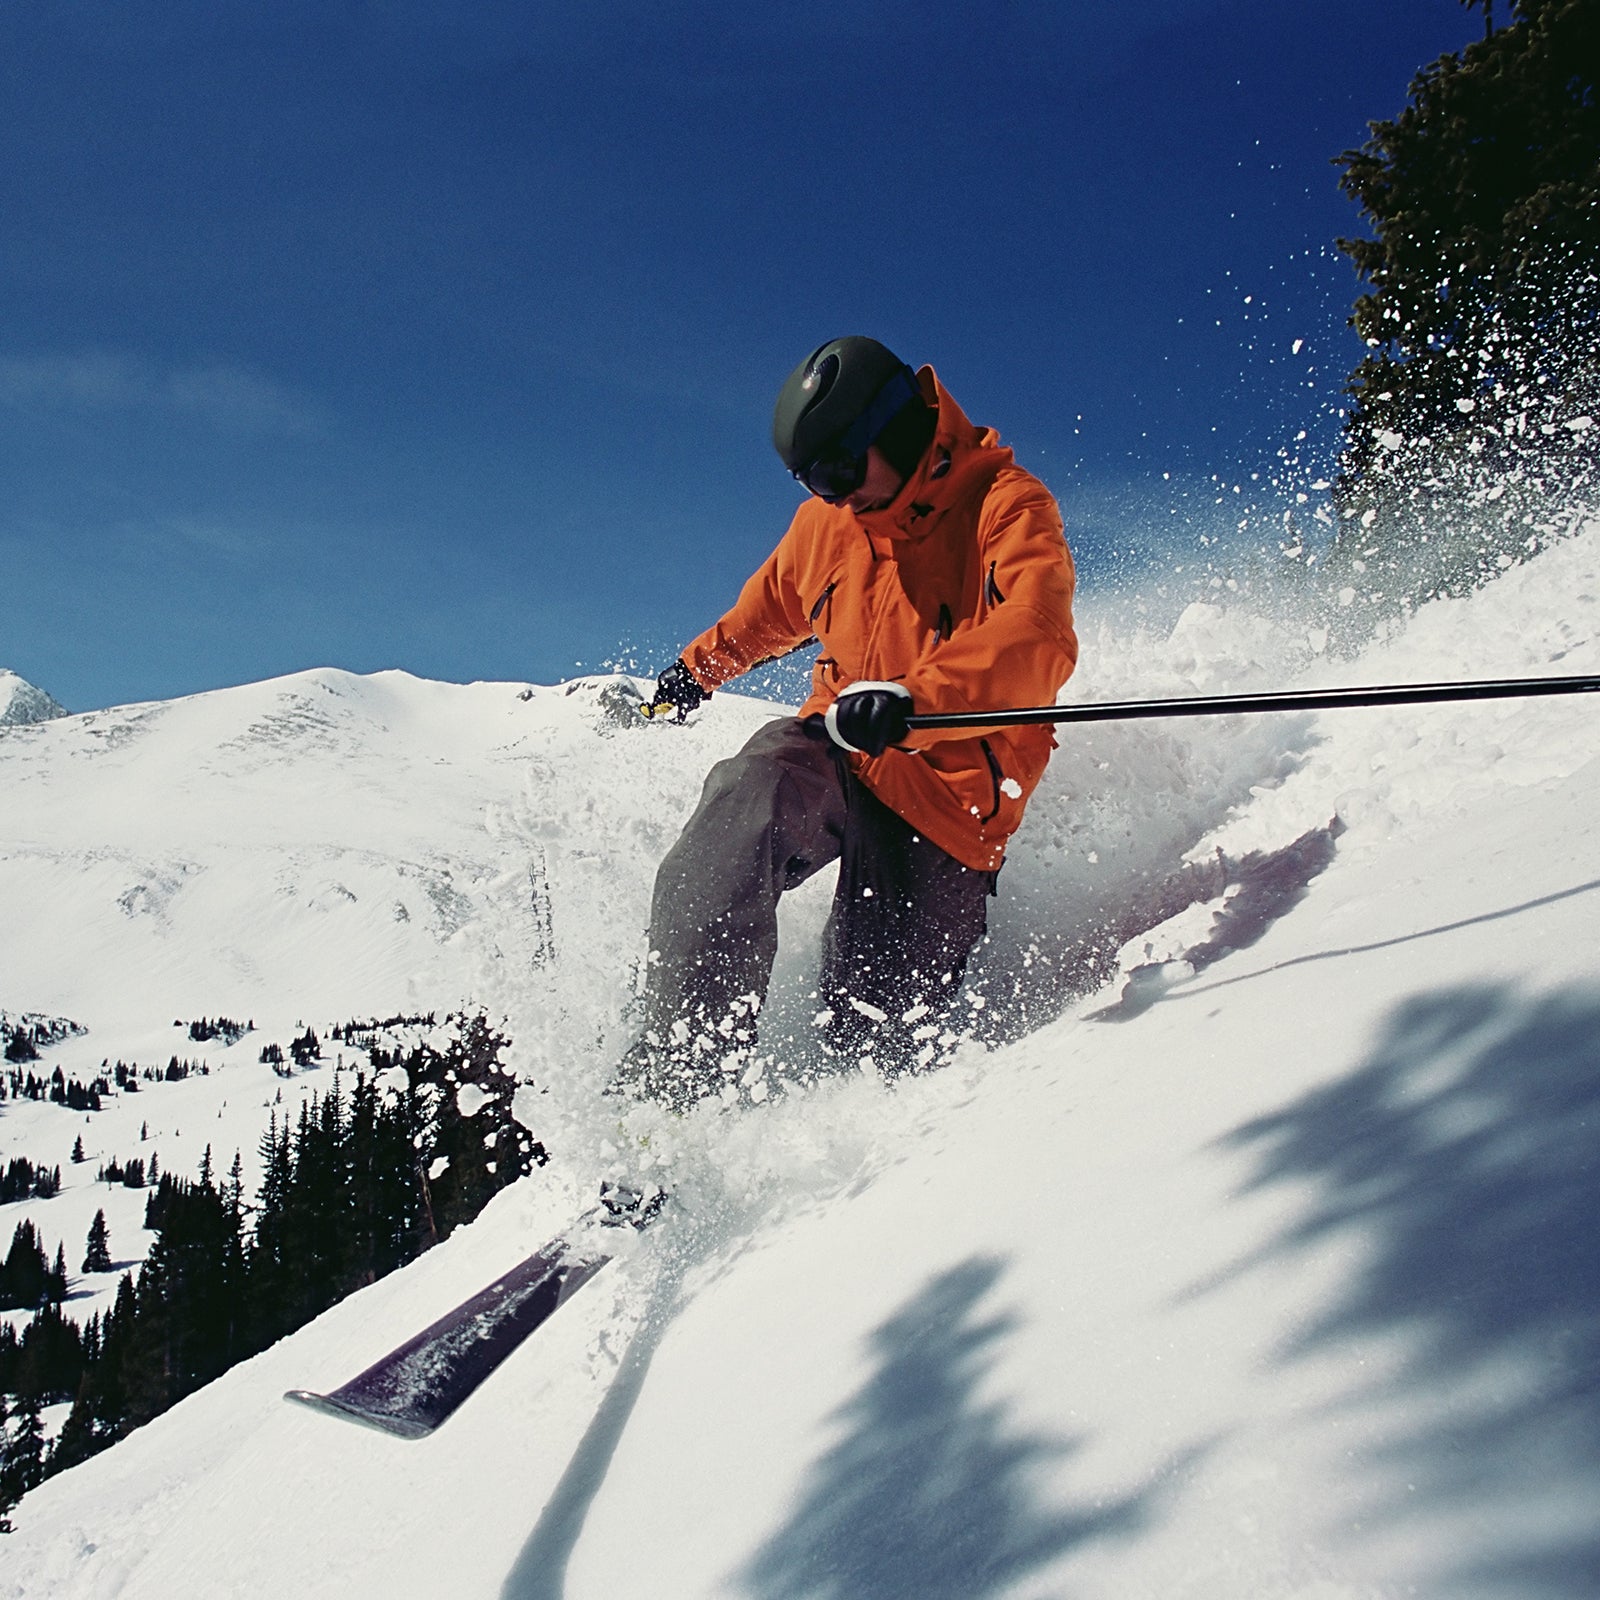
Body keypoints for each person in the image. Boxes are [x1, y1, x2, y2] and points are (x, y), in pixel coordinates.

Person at [615, 336, 1078, 1110]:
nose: (831, 495)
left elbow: (1037, 637)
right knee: (745, 799)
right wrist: (691, 676)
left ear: (892, 428)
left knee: (874, 1045)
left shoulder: (1007, 508)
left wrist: (916, 702)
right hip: (837, 748)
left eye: (838, 471)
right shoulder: (827, 527)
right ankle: (668, 1097)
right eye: (811, 480)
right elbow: (762, 615)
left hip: (948, 804)